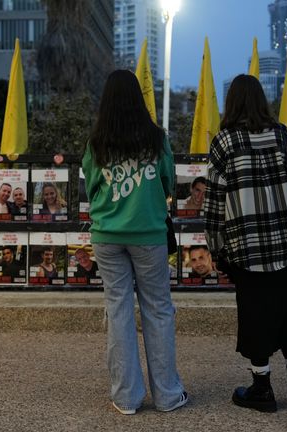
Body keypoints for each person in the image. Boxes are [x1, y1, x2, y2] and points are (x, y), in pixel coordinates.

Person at [204, 74, 287, 413]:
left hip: (244, 246)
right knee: (285, 310)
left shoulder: (224, 142)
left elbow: (214, 202)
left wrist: (216, 247)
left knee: (253, 313)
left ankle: (262, 389)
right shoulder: (282, 134)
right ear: (261, 101)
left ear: (232, 103)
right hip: (283, 243)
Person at [82, 70, 186, 414]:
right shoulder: (157, 139)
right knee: (158, 309)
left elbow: (92, 188)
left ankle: (126, 397)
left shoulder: (97, 142)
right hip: (149, 235)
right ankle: (168, 395)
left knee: (119, 310)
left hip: (107, 236)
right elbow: (169, 184)